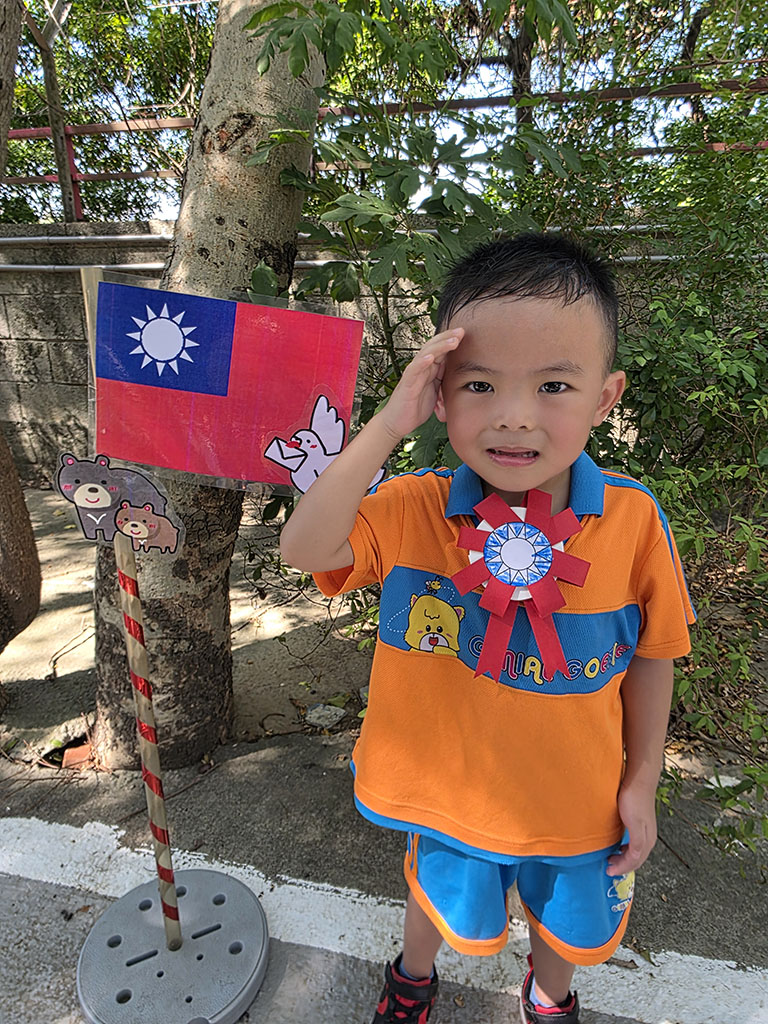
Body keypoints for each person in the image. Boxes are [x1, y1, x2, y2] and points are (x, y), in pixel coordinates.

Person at [279, 233, 695, 1024]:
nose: (514, 417)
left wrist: (640, 784)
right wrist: (388, 425)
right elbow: (305, 548)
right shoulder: (415, 508)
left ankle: (549, 997)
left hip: (579, 804)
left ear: (605, 398)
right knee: (434, 897)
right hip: (448, 798)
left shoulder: (634, 522)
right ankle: (413, 977)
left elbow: (654, 657)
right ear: (439, 393)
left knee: (564, 922)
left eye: (554, 385)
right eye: (478, 384)